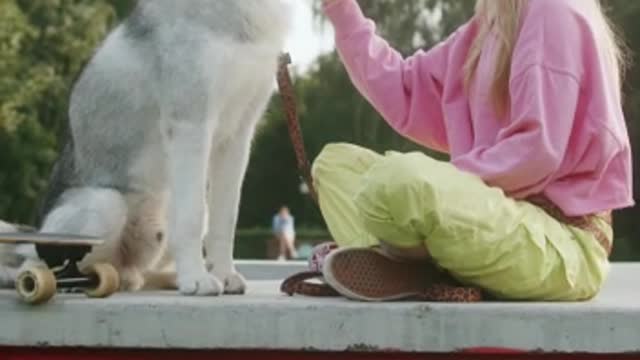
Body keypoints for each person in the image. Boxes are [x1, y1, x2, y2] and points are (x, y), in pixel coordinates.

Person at [314, 0, 633, 302]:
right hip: (494, 216)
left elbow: (537, 151)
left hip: (563, 248)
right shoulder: (490, 25)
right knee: (335, 166)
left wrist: (437, 187)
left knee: (399, 184)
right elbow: (406, 88)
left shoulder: (553, 9)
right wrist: (340, 7)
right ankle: (418, 267)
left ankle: (413, 261)